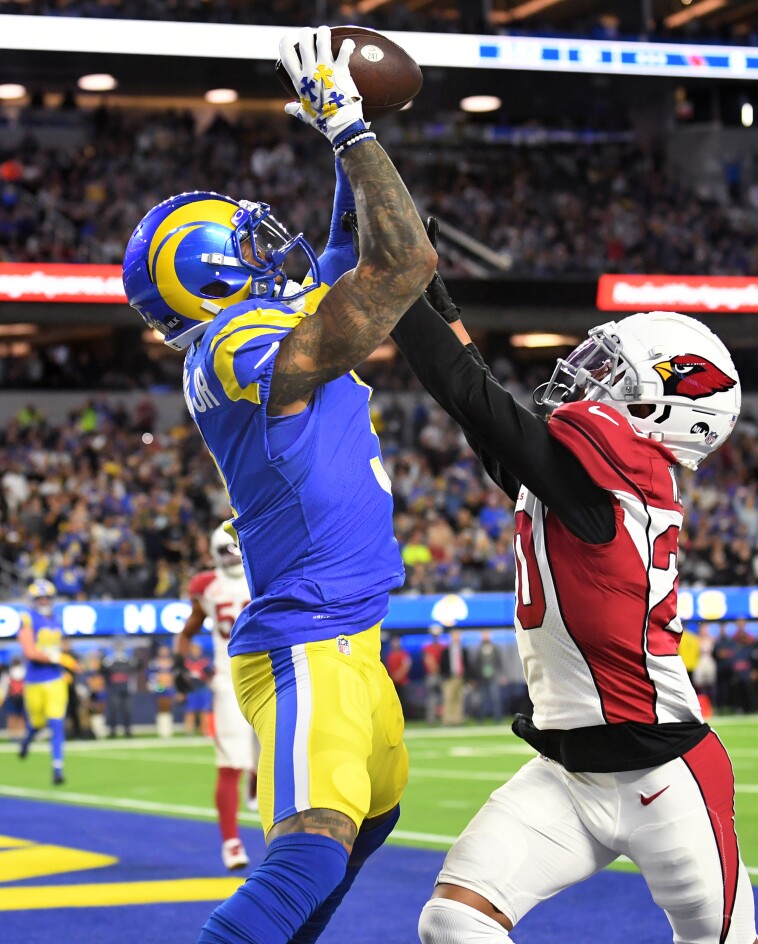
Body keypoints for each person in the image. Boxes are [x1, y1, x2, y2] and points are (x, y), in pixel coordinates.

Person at [122, 25, 436, 944]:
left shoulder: (249, 328)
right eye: (243, 238)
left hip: (352, 632)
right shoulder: (233, 346)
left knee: (371, 821)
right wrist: (346, 131)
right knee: (311, 847)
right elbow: (402, 268)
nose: (268, 243)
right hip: (311, 636)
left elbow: (348, 247)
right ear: (211, 271)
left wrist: (351, 121)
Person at [386, 254, 758, 943]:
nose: (589, 379)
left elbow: (472, 400)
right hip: (569, 771)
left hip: (665, 773)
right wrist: (443, 314)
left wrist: (393, 285)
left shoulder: (610, 491)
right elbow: (491, 428)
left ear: (658, 410)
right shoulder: (584, 486)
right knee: (454, 921)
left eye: (615, 375)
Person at [177, 523, 258, 872]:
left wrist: (190, 663)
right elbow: (187, 635)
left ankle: (255, 780)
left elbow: (185, 636)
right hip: (237, 678)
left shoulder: (215, 584)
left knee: (272, 757)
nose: (231, 556)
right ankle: (231, 841)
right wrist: (195, 666)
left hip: (257, 675)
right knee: (231, 765)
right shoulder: (256, 576)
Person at [17, 579, 77, 785]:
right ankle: (26, 741)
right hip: (34, 681)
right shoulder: (27, 619)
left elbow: (60, 648)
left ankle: (57, 768)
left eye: (46, 597)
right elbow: (30, 652)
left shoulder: (57, 620)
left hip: (55, 680)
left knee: (56, 722)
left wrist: (66, 664)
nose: (43, 601)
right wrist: (59, 659)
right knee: (37, 724)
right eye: (39, 598)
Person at [101, 638, 137, 738]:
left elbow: (135, 667)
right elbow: (105, 670)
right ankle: (113, 731)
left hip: (126, 687)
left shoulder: (128, 659)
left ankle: (128, 731)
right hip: (114, 687)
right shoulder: (109, 659)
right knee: (113, 710)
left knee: (127, 710)